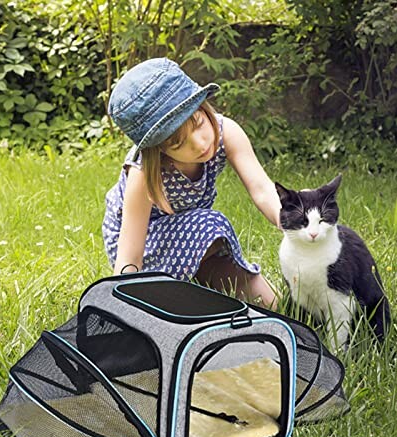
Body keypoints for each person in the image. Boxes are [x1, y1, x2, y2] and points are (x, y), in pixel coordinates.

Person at [102, 58, 281, 308]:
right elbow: (129, 257)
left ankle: (198, 278)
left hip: (196, 240)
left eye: (198, 123)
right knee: (208, 224)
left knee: (272, 304)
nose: (199, 143)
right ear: (160, 150)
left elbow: (262, 189)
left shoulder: (227, 131)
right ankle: (171, 293)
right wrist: (123, 306)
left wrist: (291, 218)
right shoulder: (143, 172)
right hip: (144, 243)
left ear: (203, 107)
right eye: (177, 143)